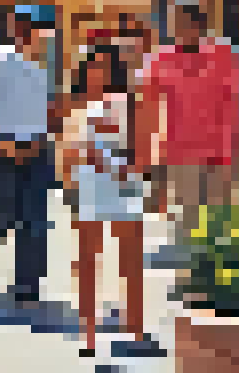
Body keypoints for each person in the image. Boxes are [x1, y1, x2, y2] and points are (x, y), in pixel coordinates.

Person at [61, 44, 157, 358]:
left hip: (124, 188)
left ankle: (135, 328)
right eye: (92, 65)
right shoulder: (75, 107)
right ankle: (88, 332)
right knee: (88, 261)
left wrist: (130, 171)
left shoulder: (130, 104)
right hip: (89, 186)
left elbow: (144, 147)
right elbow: (67, 153)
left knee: (131, 262)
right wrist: (71, 184)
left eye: (103, 66)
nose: (97, 72)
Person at [0, 6, 59, 305]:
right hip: (5, 149)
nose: (32, 32)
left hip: (38, 150)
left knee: (35, 219)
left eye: (36, 27)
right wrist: (2, 145)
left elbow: (47, 112)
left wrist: (44, 141)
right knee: (4, 215)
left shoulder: (42, 68)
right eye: (26, 26)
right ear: (15, 28)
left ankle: (27, 287)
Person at [138, 3, 239, 266]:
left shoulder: (222, 56)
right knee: (189, 213)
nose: (180, 29)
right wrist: (147, 154)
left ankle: (217, 264)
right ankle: (193, 269)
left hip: (218, 148)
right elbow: (148, 108)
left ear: (199, 26)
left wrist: (232, 150)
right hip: (178, 149)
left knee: (219, 212)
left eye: (185, 23)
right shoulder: (160, 59)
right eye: (177, 24)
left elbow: (231, 105)